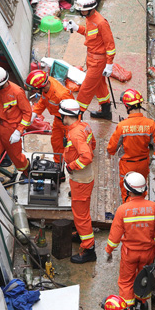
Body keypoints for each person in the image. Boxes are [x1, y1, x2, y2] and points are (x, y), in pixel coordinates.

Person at [104, 172, 155, 310]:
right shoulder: (154, 208)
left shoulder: (123, 210)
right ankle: (141, 304)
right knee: (144, 278)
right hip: (148, 253)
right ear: (144, 189)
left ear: (129, 190)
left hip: (129, 253)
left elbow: (115, 236)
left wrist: (109, 251)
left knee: (126, 282)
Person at [63, 0, 116, 120]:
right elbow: (90, 34)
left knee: (86, 90)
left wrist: (109, 65)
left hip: (98, 61)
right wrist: (76, 28)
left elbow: (110, 45)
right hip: (92, 58)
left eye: (83, 10)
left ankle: (76, 116)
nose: (81, 12)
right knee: (99, 85)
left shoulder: (101, 23)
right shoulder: (89, 18)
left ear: (91, 8)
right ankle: (105, 111)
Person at [106, 88, 155, 203]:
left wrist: (110, 153)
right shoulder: (150, 124)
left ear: (127, 106)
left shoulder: (123, 126)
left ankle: (129, 213)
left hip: (127, 166)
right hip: (143, 164)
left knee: (127, 191)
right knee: (141, 188)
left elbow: (113, 146)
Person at [59, 99, 97, 263]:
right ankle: (83, 236)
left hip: (81, 178)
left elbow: (87, 156)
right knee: (80, 211)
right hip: (84, 176)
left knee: (81, 215)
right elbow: (92, 144)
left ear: (66, 116)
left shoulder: (75, 133)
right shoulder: (83, 126)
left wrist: (71, 166)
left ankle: (88, 249)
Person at [25, 69, 74, 163]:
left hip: (68, 121)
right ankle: (58, 163)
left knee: (71, 145)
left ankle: (71, 164)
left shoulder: (62, 94)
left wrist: (71, 128)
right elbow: (43, 101)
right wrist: (34, 113)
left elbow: (72, 111)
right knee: (56, 142)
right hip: (58, 120)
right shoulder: (46, 84)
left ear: (40, 87)